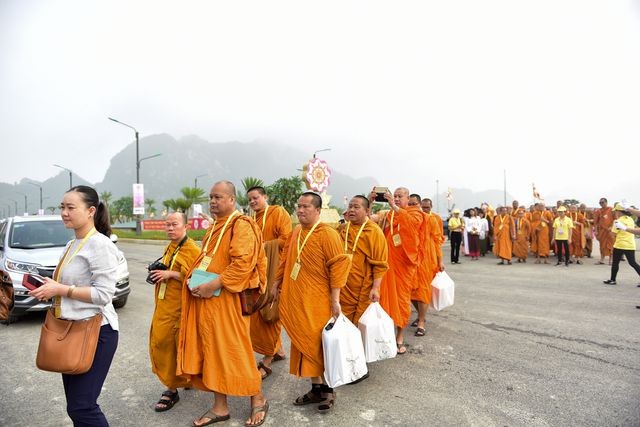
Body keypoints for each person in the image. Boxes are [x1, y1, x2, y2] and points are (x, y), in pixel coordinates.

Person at [177, 181, 269, 427]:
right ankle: (220, 406)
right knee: (212, 352)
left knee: (236, 350)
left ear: (231, 200)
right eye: (211, 197)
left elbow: (242, 264)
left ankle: (258, 398)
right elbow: (207, 259)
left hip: (228, 300)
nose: (213, 201)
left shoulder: (242, 225)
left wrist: (212, 285)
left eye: (218, 197)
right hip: (208, 301)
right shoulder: (214, 227)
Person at [28, 185, 120, 426]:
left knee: (83, 407)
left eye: (70, 207)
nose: (64, 212)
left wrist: (61, 289)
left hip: (96, 331)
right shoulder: (72, 244)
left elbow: (104, 294)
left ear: (90, 211)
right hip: (70, 330)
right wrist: (50, 288)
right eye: (62, 207)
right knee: (76, 407)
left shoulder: (100, 245)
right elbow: (68, 285)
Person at [271, 192, 351, 412]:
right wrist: (276, 282)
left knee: (318, 345)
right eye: (299, 206)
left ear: (317, 210)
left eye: (306, 207)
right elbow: (285, 259)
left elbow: (339, 266)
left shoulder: (328, 234)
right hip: (296, 298)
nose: (301, 210)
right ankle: (316, 388)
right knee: (303, 342)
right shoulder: (296, 231)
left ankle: (328, 389)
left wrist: (335, 300)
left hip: (318, 301)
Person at [148, 212, 200, 412]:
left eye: (174, 224)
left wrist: (170, 274)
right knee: (165, 342)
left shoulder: (192, 249)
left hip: (180, 308)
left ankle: (171, 389)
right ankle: (183, 379)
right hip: (164, 304)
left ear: (185, 226)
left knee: (170, 345)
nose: (170, 228)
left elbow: (197, 278)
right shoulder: (171, 247)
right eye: (167, 225)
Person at [246, 186, 292, 381]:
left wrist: (264, 246)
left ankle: (266, 361)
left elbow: (287, 240)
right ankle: (278, 350)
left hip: (275, 268)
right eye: (249, 200)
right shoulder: (251, 220)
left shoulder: (278, 212)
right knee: (258, 311)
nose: (253, 202)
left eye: (256, 198)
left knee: (270, 311)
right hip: (258, 270)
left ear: (265, 197)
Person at [370, 187, 423, 354]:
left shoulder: (415, 213)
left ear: (408, 199)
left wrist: (394, 206)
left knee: (401, 301)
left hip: (403, 266)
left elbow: (412, 224)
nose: (398, 198)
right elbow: (368, 220)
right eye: (395, 196)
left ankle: (399, 336)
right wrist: (370, 202)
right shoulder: (387, 215)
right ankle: (383, 336)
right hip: (386, 265)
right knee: (382, 301)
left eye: (401, 196)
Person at [339, 195, 388, 325]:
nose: (351, 210)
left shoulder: (374, 231)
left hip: (363, 288)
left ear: (367, 211)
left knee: (360, 326)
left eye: (356, 207)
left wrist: (376, 288)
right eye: (350, 207)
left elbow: (380, 264)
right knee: (342, 324)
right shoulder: (343, 229)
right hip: (342, 287)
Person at [410, 197, 445, 336]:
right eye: (410, 204)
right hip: (412, 261)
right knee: (411, 292)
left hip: (427, 260)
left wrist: (440, 261)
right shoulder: (408, 219)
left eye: (415, 205)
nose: (413, 207)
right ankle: (420, 315)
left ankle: (421, 322)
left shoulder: (432, 219)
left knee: (423, 291)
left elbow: (437, 241)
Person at [603, 203, 640, 285]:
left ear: (619, 212)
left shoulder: (617, 221)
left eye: (615, 211)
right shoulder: (630, 219)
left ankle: (613, 280)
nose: (615, 213)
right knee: (633, 263)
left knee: (615, 262)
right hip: (630, 244)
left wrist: (609, 230)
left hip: (620, 244)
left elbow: (613, 234)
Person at [594, 197, 614, 265]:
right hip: (601, 231)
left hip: (610, 231)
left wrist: (612, 227)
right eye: (600, 203)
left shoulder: (611, 209)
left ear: (606, 202)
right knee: (602, 246)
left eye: (602, 202)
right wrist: (596, 231)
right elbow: (595, 222)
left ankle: (611, 260)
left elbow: (615, 219)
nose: (601, 204)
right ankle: (602, 259)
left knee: (611, 245)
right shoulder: (598, 211)